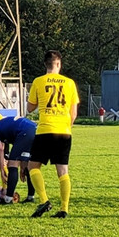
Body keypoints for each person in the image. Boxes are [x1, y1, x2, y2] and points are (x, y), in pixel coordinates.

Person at [26, 50, 79, 218]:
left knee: (33, 167)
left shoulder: (38, 81)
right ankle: (64, 208)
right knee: (63, 171)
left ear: (45, 64)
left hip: (45, 130)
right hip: (63, 131)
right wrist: (66, 126)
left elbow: (30, 108)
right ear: (59, 64)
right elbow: (74, 113)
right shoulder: (69, 83)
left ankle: (44, 200)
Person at [0, 114, 37, 203]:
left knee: (12, 164)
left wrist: (2, 171)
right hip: (35, 129)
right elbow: (22, 150)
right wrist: (23, 166)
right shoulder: (3, 126)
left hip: (24, 131)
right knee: (29, 166)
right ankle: (31, 196)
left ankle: (8, 198)